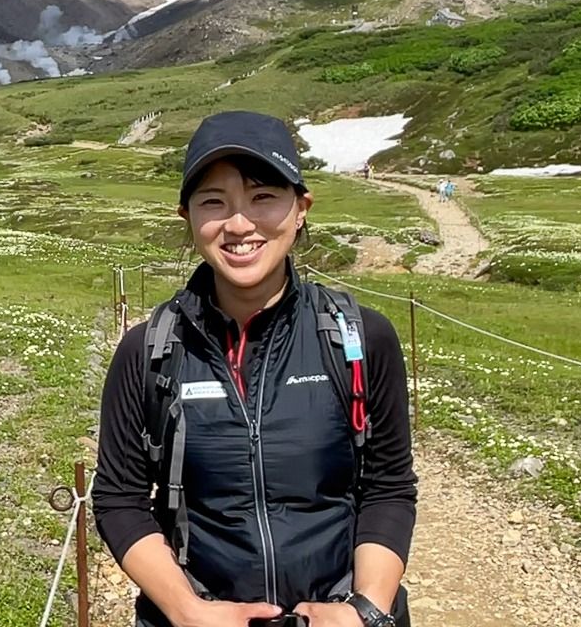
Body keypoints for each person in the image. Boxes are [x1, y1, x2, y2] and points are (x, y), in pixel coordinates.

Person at [93, 111, 417, 627]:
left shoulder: (361, 337)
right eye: (214, 202)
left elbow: (388, 486)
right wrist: (188, 612)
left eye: (263, 196)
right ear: (187, 217)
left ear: (301, 207)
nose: (239, 224)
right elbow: (118, 499)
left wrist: (367, 611)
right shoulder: (146, 350)